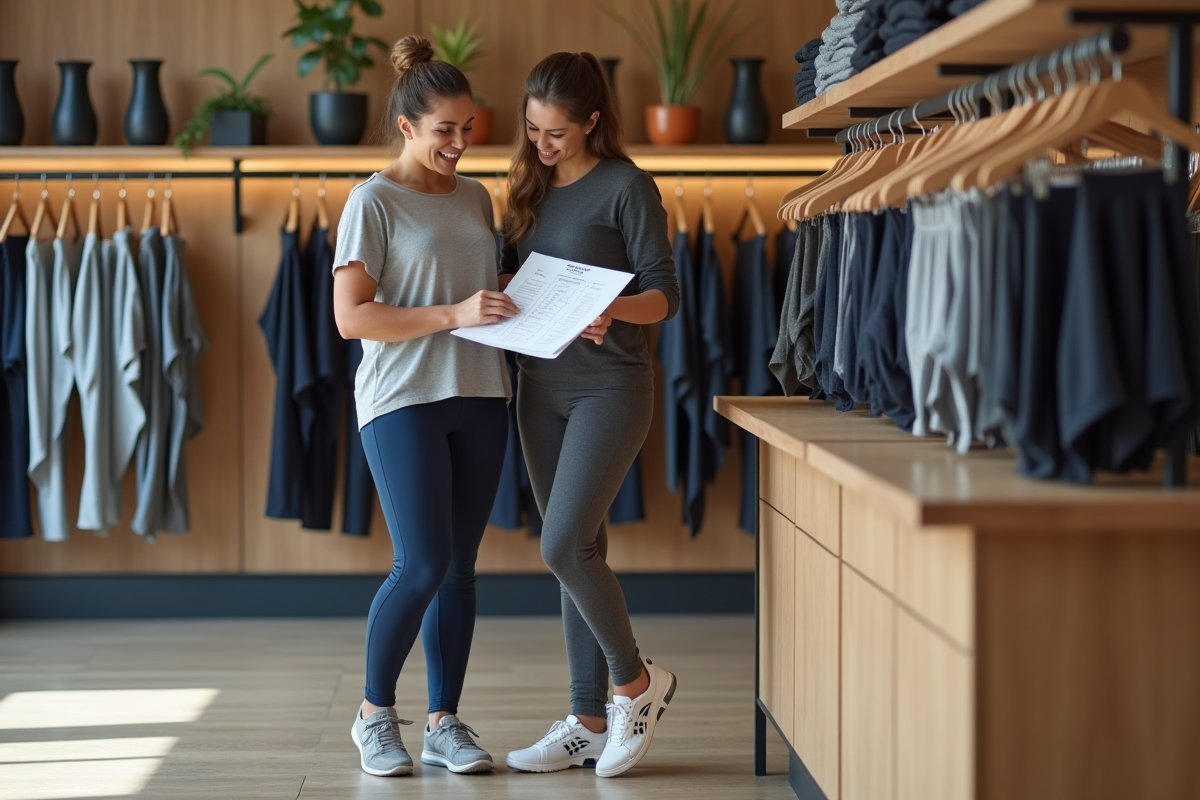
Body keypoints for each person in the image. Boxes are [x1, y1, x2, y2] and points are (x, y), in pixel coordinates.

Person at [331, 34, 516, 778]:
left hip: (481, 394)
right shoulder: (370, 201)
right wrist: (453, 313)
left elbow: (490, 297)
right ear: (407, 126)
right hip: (402, 399)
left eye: (469, 127)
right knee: (422, 563)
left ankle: (445, 722)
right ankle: (375, 716)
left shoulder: (476, 195)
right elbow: (353, 318)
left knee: (461, 568)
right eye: (446, 129)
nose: (461, 142)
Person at [500, 51, 681, 779]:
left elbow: (664, 294)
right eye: (534, 130)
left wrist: (611, 306)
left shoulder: (627, 186)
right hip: (538, 389)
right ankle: (584, 718)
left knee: (561, 544)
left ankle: (636, 685)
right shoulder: (527, 188)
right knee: (579, 558)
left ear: (593, 122)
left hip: (610, 387)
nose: (542, 146)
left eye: (557, 134)